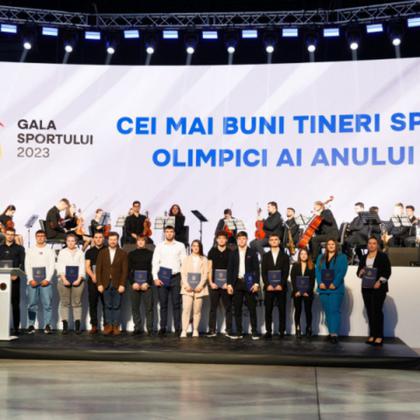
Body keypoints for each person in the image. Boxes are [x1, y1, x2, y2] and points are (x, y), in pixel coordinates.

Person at [152, 225, 187, 335]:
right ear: (164, 233)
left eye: (171, 231)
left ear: (174, 233)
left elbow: (184, 263)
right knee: (163, 304)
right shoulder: (159, 246)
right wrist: (155, 278)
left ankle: (177, 328)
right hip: (162, 277)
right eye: (167, 231)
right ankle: (163, 327)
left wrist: (183, 279)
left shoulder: (180, 245)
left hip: (176, 277)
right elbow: (155, 262)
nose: (169, 233)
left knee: (177, 304)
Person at [357, 236, 392, 346]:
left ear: (377, 245)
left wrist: (380, 282)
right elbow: (358, 273)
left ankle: (379, 336)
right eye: (369, 243)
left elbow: (387, 272)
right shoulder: (364, 257)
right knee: (370, 312)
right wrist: (361, 272)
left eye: (374, 243)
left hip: (379, 288)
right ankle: (372, 335)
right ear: (367, 245)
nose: (371, 245)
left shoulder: (383, 256)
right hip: (366, 288)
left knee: (377, 311)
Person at [227, 231, 260, 340]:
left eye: (243, 239)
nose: (241, 241)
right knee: (237, 309)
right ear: (237, 241)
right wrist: (229, 284)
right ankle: (239, 332)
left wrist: (256, 283)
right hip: (237, 283)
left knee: (252, 308)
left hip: (249, 283)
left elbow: (256, 269)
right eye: (239, 239)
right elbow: (230, 270)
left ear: (246, 240)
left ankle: (254, 331)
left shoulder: (252, 252)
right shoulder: (233, 253)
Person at [315, 239, 348, 343]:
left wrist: (335, 283)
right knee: (327, 311)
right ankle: (330, 332)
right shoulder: (320, 257)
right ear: (326, 246)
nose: (330, 246)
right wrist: (320, 282)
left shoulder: (342, 257)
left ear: (336, 245)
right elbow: (318, 271)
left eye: (333, 244)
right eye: (328, 244)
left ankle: (334, 334)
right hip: (323, 289)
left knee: (334, 311)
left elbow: (342, 272)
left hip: (336, 289)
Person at [96, 231, 128, 336]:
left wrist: (122, 284)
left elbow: (125, 271)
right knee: (107, 306)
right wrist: (99, 284)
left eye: (114, 239)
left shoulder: (123, 253)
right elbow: (98, 270)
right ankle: (108, 326)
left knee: (117, 306)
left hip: (118, 284)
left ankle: (116, 326)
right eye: (111, 239)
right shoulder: (102, 253)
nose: (113, 241)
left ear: (117, 240)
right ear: (107, 240)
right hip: (105, 283)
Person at [25, 229, 56, 334]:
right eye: (38, 236)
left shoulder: (50, 251)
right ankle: (31, 325)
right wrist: (30, 279)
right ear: (35, 237)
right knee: (32, 304)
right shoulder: (30, 250)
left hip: (46, 282)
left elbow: (52, 266)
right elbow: (27, 265)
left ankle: (47, 325)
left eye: (42, 236)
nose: (40, 238)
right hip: (32, 282)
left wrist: (47, 279)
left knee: (47, 304)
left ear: (45, 237)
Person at [261, 234, 290, 339]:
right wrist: (267, 285)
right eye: (271, 240)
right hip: (269, 288)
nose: (273, 241)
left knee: (282, 310)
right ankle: (268, 331)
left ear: (279, 241)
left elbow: (286, 272)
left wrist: (280, 284)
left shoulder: (285, 256)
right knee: (268, 310)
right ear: (269, 242)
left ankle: (282, 331)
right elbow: (263, 272)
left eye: (276, 239)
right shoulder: (265, 256)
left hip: (281, 288)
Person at [56, 233, 86, 334]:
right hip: (63, 280)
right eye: (68, 241)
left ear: (76, 242)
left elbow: (82, 266)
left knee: (77, 303)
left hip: (78, 280)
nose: (70, 243)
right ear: (66, 242)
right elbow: (60, 266)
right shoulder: (62, 252)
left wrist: (79, 279)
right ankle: (65, 326)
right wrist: (64, 279)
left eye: (73, 241)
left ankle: (77, 326)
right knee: (64, 303)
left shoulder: (80, 252)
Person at [180, 240, 209, 338]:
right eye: (194, 246)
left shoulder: (204, 259)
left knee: (197, 310)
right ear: (191, 247)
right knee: (186, 309)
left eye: (198, 246)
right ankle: (184, 330)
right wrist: (186, 285)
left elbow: (205, 274)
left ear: (200, 247)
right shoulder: (186, 259)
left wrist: (200, 285)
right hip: (187, 288)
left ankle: (195, 329)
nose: (196, 247)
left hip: (199, 289)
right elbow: (183, 273)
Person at [207, 231, 233, 337]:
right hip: (214, 285)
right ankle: (212, 330)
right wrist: (210, 282)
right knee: (213, 308)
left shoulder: (230, 252)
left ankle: (229, 329)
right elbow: (209, 268)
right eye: (219, 238)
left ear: (226, 240)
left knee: (228, 308)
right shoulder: (212, 251)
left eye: (223, 238)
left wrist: (228, 283)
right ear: (216, 240)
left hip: (226, 285)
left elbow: (231, 269)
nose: (221, 240)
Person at [0, 227, 25, 335]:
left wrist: (16, 274)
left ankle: (16, 327)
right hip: (1, 281)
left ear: (14, 236)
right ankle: (1, 326)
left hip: (14, 280)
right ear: (5, 235)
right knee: (1, 303)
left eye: (12, 234)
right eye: (8, 234)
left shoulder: (19, 248)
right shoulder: (0, 248)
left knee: (15, 304)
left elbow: (23, 263)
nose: (10, 236)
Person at [128, 235, 154, 335]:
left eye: (143, 240)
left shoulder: (151, 254)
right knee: (135, 307)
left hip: (147, 284)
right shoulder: (131, 254)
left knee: (149, 308)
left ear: (145, 242)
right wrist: (132, 282)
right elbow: (128, 270)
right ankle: (137, 328)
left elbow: (153, 270)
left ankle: (150, 328)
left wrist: (148, 283)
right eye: (139, 240)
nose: (140, 242)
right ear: (136, 242)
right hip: (134, 284)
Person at [85, 231, 107, 334]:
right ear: (93, 239)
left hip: (105, 281)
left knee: (106, 304)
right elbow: (87, 267)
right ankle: (94, 325)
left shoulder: (108, 250)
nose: (98, 239)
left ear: (103, 239)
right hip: (93, 281)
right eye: (96, 237)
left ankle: (106, 325)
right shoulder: (89, 251)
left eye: (100, 237)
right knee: (93, 304)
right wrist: (93, 276)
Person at [290, 248, 316, 338]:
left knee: (308, 311)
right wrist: (297, 291)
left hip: (307, 293)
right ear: (299, 255)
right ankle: (298, 328)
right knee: (298, 311)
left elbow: (312, 281)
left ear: (308, 255)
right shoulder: (295, 265)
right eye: (301, 254)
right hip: (297, 293)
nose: (303, 255)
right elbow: (293, 279)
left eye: (305, 254)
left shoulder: (312, 266)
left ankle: (309, 328)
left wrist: (306, 291)